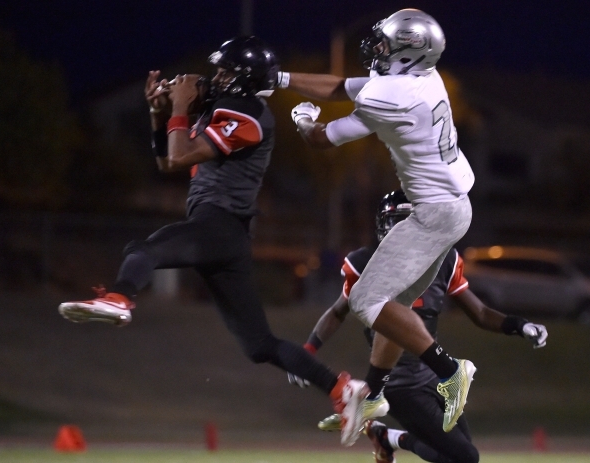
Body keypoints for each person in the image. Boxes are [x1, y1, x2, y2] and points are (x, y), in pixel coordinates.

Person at [57, 36, 371, 447]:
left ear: (244, 80)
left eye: (225, 72)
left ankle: (118, 298)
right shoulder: (228, 109)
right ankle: (340, 388)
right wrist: (159, 114)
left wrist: (182, 108)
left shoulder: (251, 115)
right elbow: (167, 160)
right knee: (260, 345)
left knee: (142, 249)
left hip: (220, 226)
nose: (216, 77)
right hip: (225, 235)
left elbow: (181, 156)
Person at [278, 8, 478, 432]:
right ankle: (373, 395)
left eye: (386, 44)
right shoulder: (424, 78)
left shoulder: (390, 96)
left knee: (366, 301)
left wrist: (302, 118)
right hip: (452, 206)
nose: (377, 49)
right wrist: (278, 80)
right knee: (396, 304)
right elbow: (338, 86)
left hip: (435, 212)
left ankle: (449, 371)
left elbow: (321, 138)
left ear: (409, 51)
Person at [289, 190, 548, 463]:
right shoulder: (365, 263)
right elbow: (336, 312)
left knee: (454, 457)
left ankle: (387, 437)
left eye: (408, 221)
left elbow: (480, 313)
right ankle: (389, 437)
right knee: (466, 457)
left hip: (436, 376)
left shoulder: (443, 259)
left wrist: (520, 325)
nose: (402, 230)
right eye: (397, 221)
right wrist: (307, 352)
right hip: (398, 383)